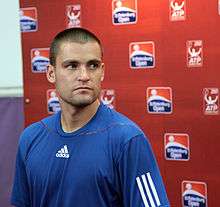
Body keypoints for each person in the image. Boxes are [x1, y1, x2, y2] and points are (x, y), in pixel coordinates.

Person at [11, 28, 170, 207]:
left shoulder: (127, 140)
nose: (84, 76)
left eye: (92, 65)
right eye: (72, 66)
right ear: (51, 73)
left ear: (102, 71)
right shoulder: (31, 138)